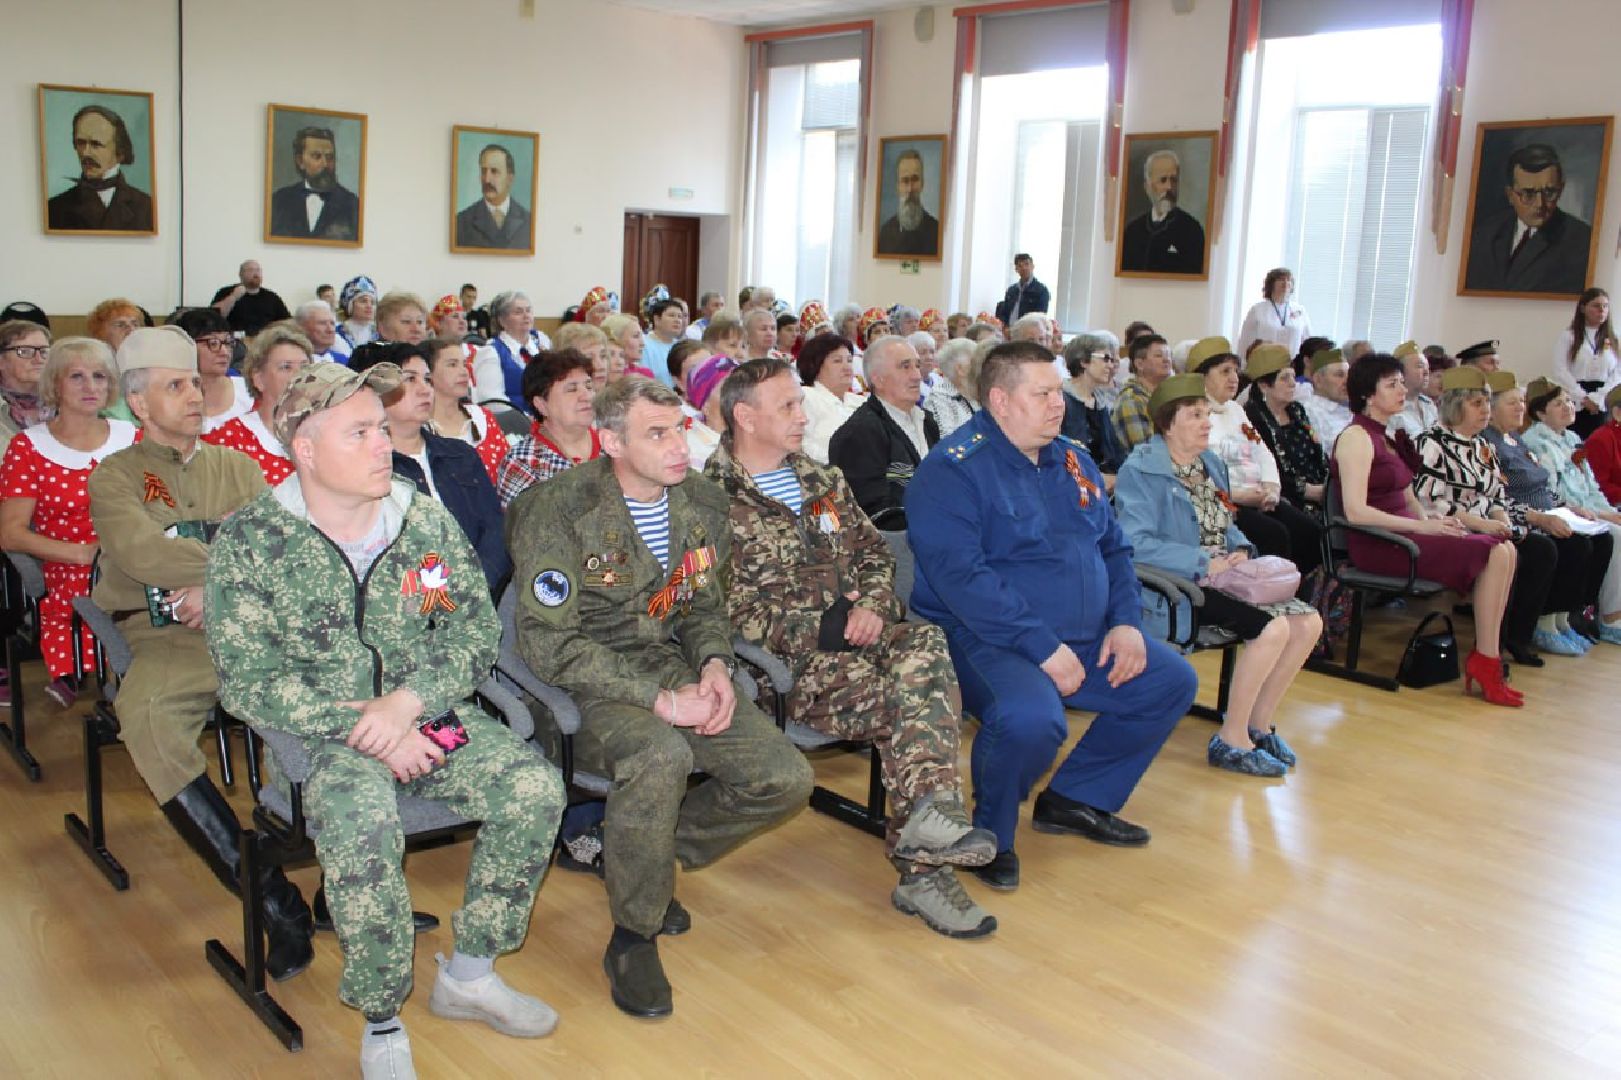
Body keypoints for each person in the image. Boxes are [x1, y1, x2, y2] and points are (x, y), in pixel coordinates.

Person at [206, 361, 563, 1079]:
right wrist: (364, 727)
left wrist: (407, 707)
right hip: (325, 737)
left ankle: (468, 974)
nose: (383, 444)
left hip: (431, 717)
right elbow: (246, 680)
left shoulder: (418, 514)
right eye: (360, 431)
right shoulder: (252, 540)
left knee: (533, 790)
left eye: (382, 426)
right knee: (362, 828)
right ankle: (382, 1015)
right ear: (304, 449)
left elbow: (471, 634)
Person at [507, 376, 813, 1018]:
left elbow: (701, 603)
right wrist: (661, 701)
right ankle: (632, 935)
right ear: (612, 440)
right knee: (660, 756)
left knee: (783, 778)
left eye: (680, 429)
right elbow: (549, 646)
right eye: (657, 433)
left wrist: (714, 666)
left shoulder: (700, 500)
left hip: (672, 666)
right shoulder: (556, 508)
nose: (680, 446)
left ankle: (638, 857)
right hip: (587, 681)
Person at [706, 358, 998, 937]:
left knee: (923, 642)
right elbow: (715, 609)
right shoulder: (704, 500)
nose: (801, 414)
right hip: (784, 670)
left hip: (860, 638)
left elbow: (872, 554)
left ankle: (927, 825)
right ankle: (923, 870)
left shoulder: (821, 480)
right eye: (787, 405)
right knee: (916, 696)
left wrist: (872, 605)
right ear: (744, 416)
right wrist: (826, 630)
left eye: (799, 401)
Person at [906, 341, 1196, 889]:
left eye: (1058, 392)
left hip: (1084, 633)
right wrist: (1042, 647)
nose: (1056, 404)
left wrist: (1127, 621)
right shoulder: (953, 471)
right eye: (1041, 394)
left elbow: (1113, 549)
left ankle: (1076, 798)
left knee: (1168, 681)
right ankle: (989, 833)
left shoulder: (1072, 459)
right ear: (1000, 400)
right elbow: (964, 581)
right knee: (1031, 721)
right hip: (987, 639)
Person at [87, 326, 316, 978]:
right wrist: (222, 563)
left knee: (318, 699)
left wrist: (212, 586)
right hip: (162, 638)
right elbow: (142, 552)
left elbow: (275, 546)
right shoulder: (116, 477)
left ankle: (331, 872)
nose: (195, 394)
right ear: (138, 403)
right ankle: (271, 900)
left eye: (194, 382)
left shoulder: (235, 466)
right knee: (150, 723)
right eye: (176, 386)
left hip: (245, 625)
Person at [1115, 374, 1321, 775]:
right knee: (1272, 628)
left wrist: (1242, 546)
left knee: (1308, 623)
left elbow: (1227, 522)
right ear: (1168, 421)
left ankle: (1258, 724)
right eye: (1196, 415)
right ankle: (1231, 739)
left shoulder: (1209, 463)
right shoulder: (1141, 470)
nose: (1208, 422)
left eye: (1207, 413)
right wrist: (1201, 561)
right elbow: (1133, 541)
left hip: (1227, 574)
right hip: (1178, 584)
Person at [1330, 358, 1521, 702]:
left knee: (1505, 548)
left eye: (1402, 382)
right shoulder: (1356, 438)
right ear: (1368, 395)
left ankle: (1487, 656)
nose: (1403, 390)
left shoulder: (1388, 436)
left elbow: (1409, 496)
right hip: (1380, 543)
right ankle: (1486, 660)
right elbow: (1357, 513)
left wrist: (1434, 523)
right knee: (1493, 551)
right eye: (1392, 384)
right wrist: (1422, 527)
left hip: (1408, 534)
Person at [0, 338, 137, 707]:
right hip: (69, 562)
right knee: (91, 589)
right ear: (54, 385)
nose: (91, 387)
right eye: (76, 376)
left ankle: (142, 682)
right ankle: (106, 677)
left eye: (99, 376)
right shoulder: (28, 447)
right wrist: (79, 554)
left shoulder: (133, 439)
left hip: (133, 556)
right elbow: (10, 533)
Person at [1413, 365, 1562, 670]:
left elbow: (1497, 495)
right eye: (1477, 403)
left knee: (1538, 548)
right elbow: (1429, 501)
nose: (1485, 410)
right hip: (1453, 528)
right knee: (1522, 550)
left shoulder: (1482, 445)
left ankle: (1508, 640)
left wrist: (1503, 521)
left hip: (1487, 526)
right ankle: (1491, 649)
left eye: (1486, 402)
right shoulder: (1432, 442)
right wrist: (1481, 524)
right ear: (1455, 405)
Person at [349, 343, 508, 595]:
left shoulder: (461, 455)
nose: (425, 390)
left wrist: (476, 583)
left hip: (481, 595)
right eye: (409, 379)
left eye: (427, 379)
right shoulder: (365, 468)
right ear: (373, 390)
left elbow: (494, 528)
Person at [1481, 371, 1612, 655]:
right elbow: (1498, 497)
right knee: (1572, 545)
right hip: (1519, 517)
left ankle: (1568, 617)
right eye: (1512, 403)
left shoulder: (1516, 440)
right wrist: (1543, 517)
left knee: (1600, 539)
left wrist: (1568, 508)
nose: (1520, 408)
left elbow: (1542, 483)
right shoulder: (1490, 443)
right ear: (1491, 410)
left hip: (1547, 511)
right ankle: (1542, 623)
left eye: (1521, 402)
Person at [1191, 337, 1321, 581]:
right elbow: (1200, 471)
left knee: (1309, 531)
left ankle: (1300, 595)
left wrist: (1271, 488)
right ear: (1202, 377)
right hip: (1226, 500)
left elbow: (1261, 450)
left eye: (1235, 372)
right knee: (1275, 534)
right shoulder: (1194, 413)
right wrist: (1241, 495)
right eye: (1224, 372)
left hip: (1258, 495)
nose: (1234, 379)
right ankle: (1270, 599)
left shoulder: (1235, 410)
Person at [1521, 377, 1621, 644]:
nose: (1567, 406)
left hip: (1587, 510)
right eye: (1558, 403)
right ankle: (1609, 616)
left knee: (1615, 528)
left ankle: (1587, 612)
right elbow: (1555, 493)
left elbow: (1590, 485)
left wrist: (1609, 511)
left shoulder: (1572, 439)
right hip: (1564, 512)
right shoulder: (1536, 443)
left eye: (1567, 400)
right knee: (1615, 535)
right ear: (1540, 412)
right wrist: (1602, 515)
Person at [829, 337, 938, 527]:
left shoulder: (927, 421)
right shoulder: (860, 433)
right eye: (905, 367)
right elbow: (875, 512)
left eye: (917, 366)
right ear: (878, 379)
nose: (916, 376)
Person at [1463, 143, 1594, 296]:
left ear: (1561, 190)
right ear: (1510, 195)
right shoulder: (1484, 235)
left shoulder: (1582, 241)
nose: (1540, 204)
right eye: (1528, 193)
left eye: (1549, 192)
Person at [201, 323, 309, 485]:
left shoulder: (326, 431)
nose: (300, 375)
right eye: (286, 367)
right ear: (258, 379)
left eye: (305, 367)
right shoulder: (227, 443)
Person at [496, 348, 600, 508]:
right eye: (572, 389)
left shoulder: (614, 445)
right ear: (541, 405)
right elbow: (524, 530)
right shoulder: (524, 462)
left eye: (588, 386)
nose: (586, 396)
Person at [1243, 344, 1327, 508]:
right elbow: (1267, 470)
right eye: (1284, 378)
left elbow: (1318, 451)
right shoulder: (1252, 419)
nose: (1293, 384)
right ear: (1264, 385)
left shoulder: (1296, 410)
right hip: (1287, 497)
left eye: (1293, 377)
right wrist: (1313, 491)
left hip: (1321, 489)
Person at [46, 104, 154, 232]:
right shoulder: (54, 208)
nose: (85, 153)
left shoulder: (147, 207)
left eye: (96, 144)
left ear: (120, 152)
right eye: (80, 143)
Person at [424, 335, 506, 485]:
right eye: (452, 365)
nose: (464, 372)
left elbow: (508, 473)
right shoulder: (420, 427)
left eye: (464, 364)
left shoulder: (482, 417)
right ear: (428, 374)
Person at [267, 126, 361, 242]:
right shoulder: (279, 201)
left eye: (330, 157)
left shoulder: (351, 204)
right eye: (316, 156)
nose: (325, 164)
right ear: (300, 161)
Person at [1119, 150, 1206, 274]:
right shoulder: (1132, 232)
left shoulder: (1192, 231)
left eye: (1174, 180)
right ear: (1147, 187)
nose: (1169, 187)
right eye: (1163, 180)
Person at [1058, 333, 1126, 488]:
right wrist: (1098, 478)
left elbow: (1116, 453)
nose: (1111, 365)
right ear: (1083, 361)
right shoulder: (1060, 400)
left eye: (1112, 360)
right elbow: (1061, 455)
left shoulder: (1099, 403)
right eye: (1105, 359)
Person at [1551, 287, 1619, 439]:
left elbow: (1618, 373)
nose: (1602, 310)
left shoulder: (1614, 338)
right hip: (1577, 398)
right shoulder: (1569, 336)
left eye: (1605, 306)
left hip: (1604, 398)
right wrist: (1584, 398)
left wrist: (1600, 397)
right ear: (1583, 308)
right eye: (1596, 305)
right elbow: (1560, 370)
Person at [175, 307, 252, 434]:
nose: (224, 352)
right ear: (187, 346)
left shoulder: (249, 392)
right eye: (213, 343)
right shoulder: (169, 396)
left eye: (228, 343)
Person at [472, 290, 552, 412]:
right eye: (518, 312)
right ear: (502, 320)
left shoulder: (542, 341)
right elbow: (493, 402)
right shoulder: (491, 352)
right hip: (514, 424)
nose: (526, 316)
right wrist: (524, 419)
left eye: (528, 310)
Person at [797, 334, 864, 465]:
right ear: (815, 365)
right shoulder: (806, 397)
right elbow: (802, 446)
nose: (847, 367)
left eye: (849, 360)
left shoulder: (862, 402)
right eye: (837, 361)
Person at [455, 144, 532, 250]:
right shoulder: (461, 222)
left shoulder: (529, 222)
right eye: (483, 171)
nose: (487, 179)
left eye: (494, 171)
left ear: (510, 178)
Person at [0, 320, 52, 458]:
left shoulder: (68, 404)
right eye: (25, 351)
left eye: (44, 351)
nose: (38, 359)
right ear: (1, 361)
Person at [1112, 332, 1172, 451]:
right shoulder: (1131, 399)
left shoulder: (1165, 397)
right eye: (1159, 355)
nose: (1166, 360)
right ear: (1139, 364)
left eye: (1169, 355)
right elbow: (1146, 452)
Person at [876, 149, 940, 256]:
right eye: (905, 180)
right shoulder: (886, 233)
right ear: (898, 187)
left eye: (915, 180)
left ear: (922, 184)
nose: (910, 189)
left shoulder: (936, 231)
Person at [1236, 268, 1311, 357]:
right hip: (1265, 363)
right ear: (1271, 284)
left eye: (1289, 280)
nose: (1286, 283)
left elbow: (1307, 341)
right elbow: (1246, 341)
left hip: (1292, 364)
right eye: (1281, 280)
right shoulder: (1257, 310)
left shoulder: (1299, 310)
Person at [212, 261, 291, 336]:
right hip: (236, 340)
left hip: (264, 341)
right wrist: (233, 297)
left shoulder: (272, 297)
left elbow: (287, 322)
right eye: (251, 270)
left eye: (258, 270)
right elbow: (214, 317)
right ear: (241, 274)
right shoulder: (226, 292)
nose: (255, 274)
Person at [1300, 346, 1352, 456]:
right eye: (1340, 375)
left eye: (1349, 375)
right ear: (1318, 380)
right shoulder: (1308, 414)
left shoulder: (1351, 410)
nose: (1347, 381)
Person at [1386, 340, 1438, 452]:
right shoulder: (1391, 408)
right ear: (1401, 372)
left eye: (1427, 367)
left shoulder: (1428, 404)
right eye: (1420, 366)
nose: (1426, 372)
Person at [923, 338, 977, 439]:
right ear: (960, 369)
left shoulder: (975, 394)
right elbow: (947, 441)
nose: (981, 368)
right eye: (976, 363)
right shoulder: (938, 398)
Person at [642, 297, 688, 387]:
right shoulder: (644, 344)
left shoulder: (681, 346)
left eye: (680, 316)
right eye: (671, 315)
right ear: (657, 319)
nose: (677, 320)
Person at [994, 254, 1050, 326]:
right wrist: (1004, 327)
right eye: (1020, 266)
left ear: (1032, 266)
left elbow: (1040, 318)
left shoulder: (1042, 290)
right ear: (1016, 269)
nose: (1024, 268)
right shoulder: (1011, 290)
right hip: (1008, 331)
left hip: (1027, 333)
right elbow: (1005, 312)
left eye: (1027, 264)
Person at [601, 314, 656, 380]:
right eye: (636, 336)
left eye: (642, 336)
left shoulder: (645, 375)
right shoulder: (599, 376)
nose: (642, 344)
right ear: (616, 338)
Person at [336, 276, 379, 356]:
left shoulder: (380, 334)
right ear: (350, 306)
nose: (369, 306)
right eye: (363, 301)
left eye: (372, 302)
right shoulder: (336, 334)